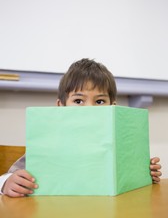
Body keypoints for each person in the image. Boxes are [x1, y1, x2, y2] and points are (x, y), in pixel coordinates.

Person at [0, 58, 162, 197]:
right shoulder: (49, 142)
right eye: (78, 101)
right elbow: (11, 175)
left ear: (112, 107)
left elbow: (128, 178)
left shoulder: (119, 143)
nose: (89, 109)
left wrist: (145, 174)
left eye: (99, 102)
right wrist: (7, 182)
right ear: (61, 106)